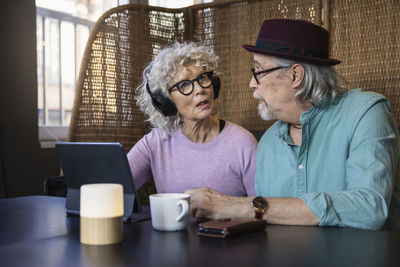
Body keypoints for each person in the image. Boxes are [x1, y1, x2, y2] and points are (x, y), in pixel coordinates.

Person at [186, 19, 400, 230]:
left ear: (295, 75)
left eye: (258, 72)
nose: (251, 84)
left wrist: (239, 205)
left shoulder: (366, 113)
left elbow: (368, 209)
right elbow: (266, 227)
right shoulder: (269, 142)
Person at [127, 42, 257, 197]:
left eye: (202, 79)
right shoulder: (155, 143)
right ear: (166, 101)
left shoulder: (242, 142)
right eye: (184, 85)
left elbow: (261, 208)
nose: (200, 90)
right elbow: (114, 187)